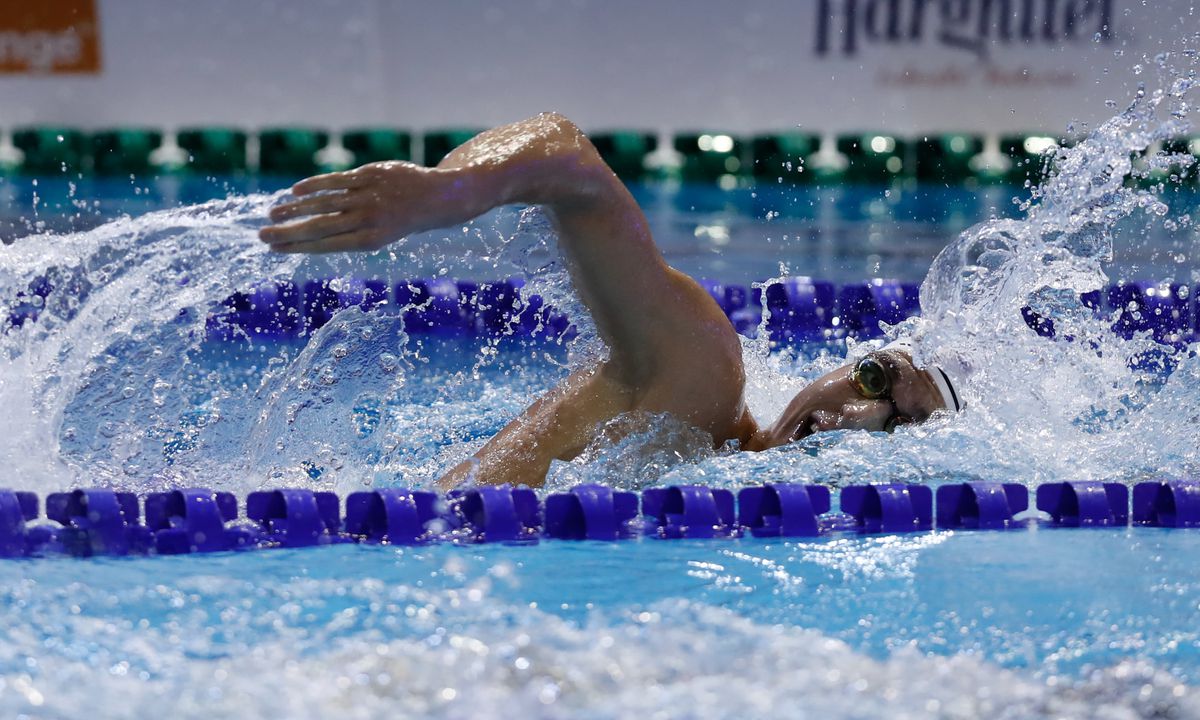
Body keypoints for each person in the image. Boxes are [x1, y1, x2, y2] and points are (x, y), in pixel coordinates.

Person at [259, 113, 960, 490]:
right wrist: (448, 194)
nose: (858, 417)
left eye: (897, 427)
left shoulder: (725, 476)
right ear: (841, 364)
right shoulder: (703, 381)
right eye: (874, 377)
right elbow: (567, 155)